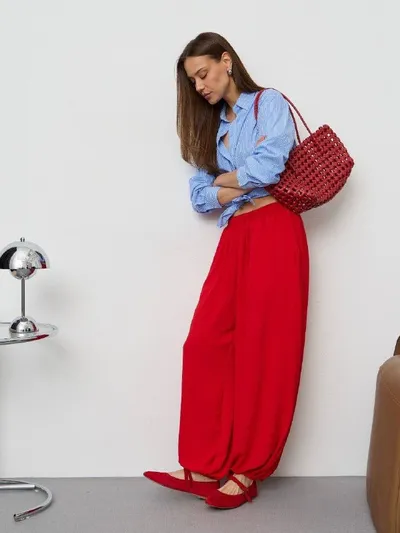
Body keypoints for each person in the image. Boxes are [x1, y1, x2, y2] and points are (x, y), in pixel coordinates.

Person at [144, 32, 309, 510]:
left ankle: (246, 471)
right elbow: (199, 198)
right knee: (204, 341)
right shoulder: (210, 129)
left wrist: (224, 180)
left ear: (226, 61)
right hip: (236, 235)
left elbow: (271, 166)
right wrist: (238, 181)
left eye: (203, 74)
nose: (200, 86)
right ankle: (204, 463)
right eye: (193, 81)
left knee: (265, 352)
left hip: (276, 232)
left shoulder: (268, 103)